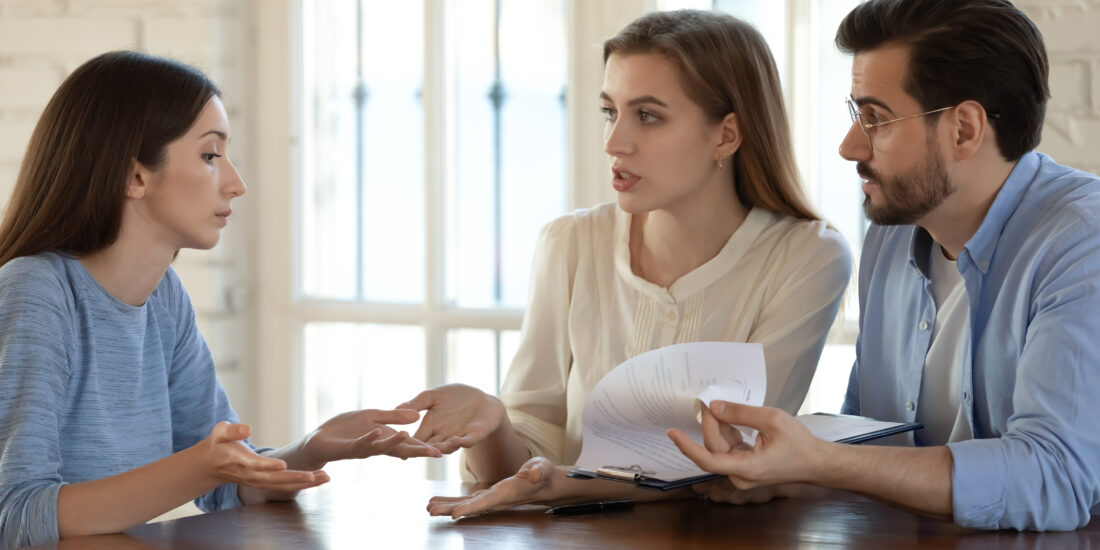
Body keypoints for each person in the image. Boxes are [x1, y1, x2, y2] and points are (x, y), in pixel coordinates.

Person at [665, 0, 1100, 532]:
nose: (850, 147)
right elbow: (873, 441)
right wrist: (782, 468)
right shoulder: (890, 239)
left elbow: (1056, 477)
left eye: (876, 119)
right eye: (855, 115)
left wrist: (823, 462)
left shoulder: (1082, 242)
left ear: (964, 129)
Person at [414, 9, 852, 515]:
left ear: (727, 136)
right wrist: (492, 426)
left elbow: (735, 464)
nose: (614, 143)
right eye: (609, 111)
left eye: (647, 115)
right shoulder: (570, 244)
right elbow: (522, 469)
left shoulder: (808, 258)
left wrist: (562, 483)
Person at [0, 51, 441, 548]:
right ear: (135, 177)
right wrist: (197, 466)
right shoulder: (35, 290)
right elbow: (17, 515)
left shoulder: (164, 298)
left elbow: (229, 484)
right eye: (211, 155)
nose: (236, 183)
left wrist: (312, 446)